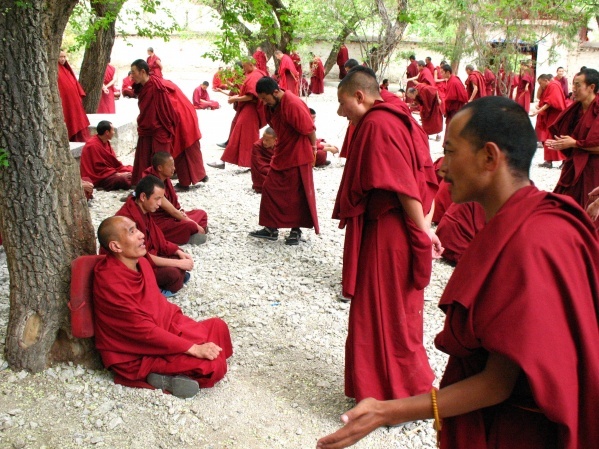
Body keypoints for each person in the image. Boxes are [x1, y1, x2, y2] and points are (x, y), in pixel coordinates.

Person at [317, 96, 599, 449]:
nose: (442, 168)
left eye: (450, 152)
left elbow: (496, 384)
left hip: (519, 432)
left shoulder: (531, 241)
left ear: (489, 157)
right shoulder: (524, 220)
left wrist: (388, 411)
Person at [333, 66, 441, 403]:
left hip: (388, 232)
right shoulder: (399, 113)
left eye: (342, 104)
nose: (340, 113)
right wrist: (426, 222)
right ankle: (392, 386)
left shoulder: (378, 124)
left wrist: (423, 231)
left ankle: (395, 393)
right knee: (397, 310)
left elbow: (404, 185)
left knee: (382, 311)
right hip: (398, 225)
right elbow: (425, 175)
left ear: (359, 96)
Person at [93, 215, 233, 398]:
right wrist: (193, 348)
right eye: (132, 232)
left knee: (218, 326)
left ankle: (178, 369)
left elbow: (160, 306)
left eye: (137, 228)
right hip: (137, 352)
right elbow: (142, 331)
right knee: (213, 365)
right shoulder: (110, 281)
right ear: (116, 246)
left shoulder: (141, 263)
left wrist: (182, 330)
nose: (141, 235)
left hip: (164, 329)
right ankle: (159, 377)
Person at [249, 76, 319, 245]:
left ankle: (296, 230)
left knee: (297, 193)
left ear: (275, 92)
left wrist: (314, 148)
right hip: (282, 151)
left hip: (298, 153)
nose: (265, 103)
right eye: (262, 100)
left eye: (266, 99)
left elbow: (309, 128)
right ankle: (271, 228)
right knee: (270, 187)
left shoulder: (292, 103)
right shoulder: (273, 105)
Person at [130, 59, 207, 189]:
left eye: (133, 72)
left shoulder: (158, 88)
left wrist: (165, 125)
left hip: (180, 116)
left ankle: (181, 182)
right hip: (173, 117)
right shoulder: (149, 85)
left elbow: (168, 108)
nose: (131, 76)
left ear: (143, 72)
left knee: (183, 144)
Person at [114, 175, 195, 296]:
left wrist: (177, 251)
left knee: (179, 255)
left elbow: (159, 240)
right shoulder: (127, 220)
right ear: (143, 197)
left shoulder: (143, 211)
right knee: (173, 273)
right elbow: (140, 257)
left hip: (149, 256)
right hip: (136, 265)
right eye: (157, 199)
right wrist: (178, 264)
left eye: (161, 199)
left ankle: (171, 278)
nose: (160, 203)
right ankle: (157, 290)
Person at [547, 68, 599, 213]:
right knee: (565, 205)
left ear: (591, 87)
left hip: (594, 168)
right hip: (574, 163)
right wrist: (563, 143)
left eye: (577, 85)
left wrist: (574, 143)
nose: (573, 89)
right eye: (573, 85)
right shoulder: (575, 109)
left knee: (589, 207)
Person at [208, 59, 267, 169]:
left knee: (243, 134)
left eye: (244, 67)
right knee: (236, 129)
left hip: (251, 109)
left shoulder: (255, 75)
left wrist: (236, 98)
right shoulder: (250, 74)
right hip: (245, 108)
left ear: (250, 64)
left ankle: (226, 161)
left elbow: (252, 96)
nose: (243, 69)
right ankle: (250, 162)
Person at [143, 151, 208, 245]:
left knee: (201, 214)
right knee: (190, 225)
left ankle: (187, 233)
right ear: (160, 168)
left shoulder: (165, 178)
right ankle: (186, 236)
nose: (174, 168)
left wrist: (181, 214)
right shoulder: (153, 184)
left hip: (170, 216)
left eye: (173, 165)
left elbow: (175, 209)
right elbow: (172, 211)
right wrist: (195, 225)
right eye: (170, 166)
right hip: (157, 222)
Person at [80, 121, 132, 191]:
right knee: (123, 180)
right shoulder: (92, 145)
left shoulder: (105, 141)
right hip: (99, 177)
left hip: (110, 172)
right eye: (113, 130)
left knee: (133, 170)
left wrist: (118, 172)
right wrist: (118, 174)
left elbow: (113, 163)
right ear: (107, 132)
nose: (113, 133)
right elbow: (98, 168)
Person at [530, 74, 566, 168]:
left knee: (556, 136)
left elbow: (551, 101)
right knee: (548, 137)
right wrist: (540, 106)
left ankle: (565, 160)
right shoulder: (550, 86)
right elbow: (541, 98)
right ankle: (548, 161)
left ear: (546, 80)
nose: (540, 85)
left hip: (555, 116)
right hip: (550, 115)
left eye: (541, 83)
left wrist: (538, 111)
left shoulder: (553, 85)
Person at [57, 50, 90, 142]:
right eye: (60, 57)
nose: (63, 59)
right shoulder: (56, 70)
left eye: (64, 57)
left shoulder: (66, 69)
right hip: (66, 102)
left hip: (75, 103)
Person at [251, 127, 276, 193]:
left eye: (267, 140)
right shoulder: (257, 146)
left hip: (275, 171)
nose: (264, 142)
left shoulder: (281, 145)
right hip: (264, 175)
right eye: (263, 139)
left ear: (275, 140)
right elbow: (260, 166)